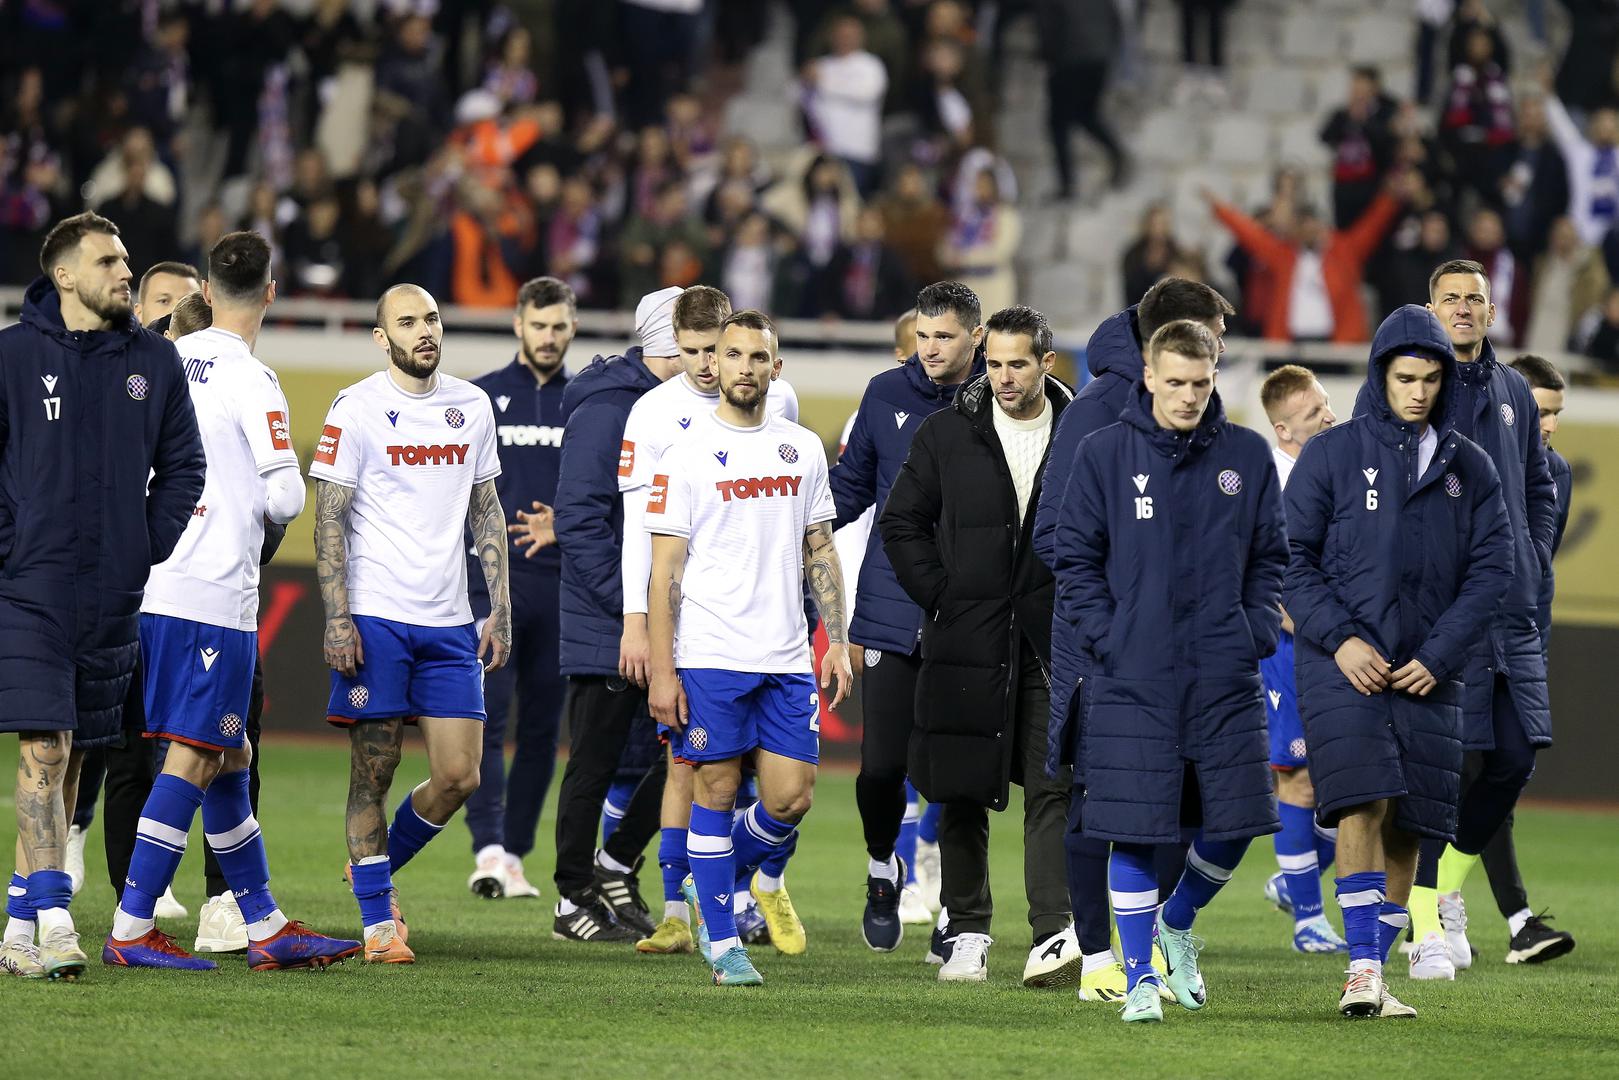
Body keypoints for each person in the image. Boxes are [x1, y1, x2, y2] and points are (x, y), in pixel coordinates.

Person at [101, 230, 360, 971]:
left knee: (230, 750)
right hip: (212, 592)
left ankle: (264, 921)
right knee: (193, 752)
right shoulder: (255, 380)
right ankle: (130, 925)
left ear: (206, 292)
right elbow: (283, 491)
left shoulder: (159, 361)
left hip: (149, 583)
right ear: (270, 294)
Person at [1050, 320, 1286, 1024]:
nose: (1187, 395)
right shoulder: (1103, 453)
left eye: (1200, 382)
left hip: (1223, 673)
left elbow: (1270, 558)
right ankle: (1140, 980)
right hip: (1133, 676)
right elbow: (1074, 560)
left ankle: (1176, 921)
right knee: (1134, 827)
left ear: (1216, 377)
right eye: (1174, 381)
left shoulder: (1244, 456)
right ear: (1148, 377)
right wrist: (1112, 638)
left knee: (1238, 823)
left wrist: (1252, 630)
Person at [1283, 305, 1513, 1018]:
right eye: (1404, 376)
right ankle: (1359, 972)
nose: (1416, 391)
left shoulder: (1467, 467)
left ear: (1445, 381)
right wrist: (1342, 639)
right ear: (1381, 374)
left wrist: (1439, 655)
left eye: (1430, 378)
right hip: (1339, 665)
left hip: (1429, 674)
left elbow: (1493, 570)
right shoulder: (1330, 453)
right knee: (1361, 800)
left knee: (1411, 824)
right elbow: (1290, 561)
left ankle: (1372, 976)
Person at [0, 212, 205, 981]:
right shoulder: (14, 357)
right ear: (64, 275)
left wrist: (143, 545)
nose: (127, 272)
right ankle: (56, 921)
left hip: (115, 590)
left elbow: (185, 466)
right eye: (110, 261)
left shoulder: (154, 362)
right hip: (32, 590)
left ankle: (16, 932)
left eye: (126, 259)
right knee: (45, 749)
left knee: (77, 757)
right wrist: (11, 548)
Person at [1033, 278, 1235, 1003]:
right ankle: (1096, 960)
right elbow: (1054, 535)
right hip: (1108, 649)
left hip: (1186, 650)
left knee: (1185, 800)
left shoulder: (1203, 412)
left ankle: (1153, 945)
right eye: (1215, 329)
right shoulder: (1095, 410)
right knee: (1096, 799)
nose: (1223, 342)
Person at [646, 310, 852, 986]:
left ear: (774, 367)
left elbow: (818, 547)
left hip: (788, 652)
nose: (740, 367)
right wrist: (661, 668)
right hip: (710, 652)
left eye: (754, 357)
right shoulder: (685, 454)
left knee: (792, 797)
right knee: (716, 784)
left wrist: (837, 640)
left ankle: (716, 886)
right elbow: (664, 570)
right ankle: (723, 944)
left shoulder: (802, 448)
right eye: (730, 355)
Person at [879, 304, 1079, 987]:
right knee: (959, 790)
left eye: (1016, 363)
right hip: (965, 639)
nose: (1001, 377)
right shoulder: (946, 433)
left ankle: (1052, 935)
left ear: (1045, 363)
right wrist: (942, 595)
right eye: (992, 363)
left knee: (1053, 789)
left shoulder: (1084, 434)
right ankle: (966, 931)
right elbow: (900, 523)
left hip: (1050, 644)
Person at [312, 283, 511, 965]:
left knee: (460, 776)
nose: (424, 330)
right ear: (381, 336)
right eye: (407, 321)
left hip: (451, 621)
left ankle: (374, 867)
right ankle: (376, 925)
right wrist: (338, 617)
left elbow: (486, 511)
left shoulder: (471, 405)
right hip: (377, 616)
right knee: (374, 770)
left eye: (430, 317)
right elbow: (329, 515)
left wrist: (498, 607)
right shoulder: (357, 408)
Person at [616, 286, 804, 956]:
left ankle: (720, 880)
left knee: (778, 790)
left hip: (774, 635)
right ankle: (680, 908)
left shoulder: (785, 416)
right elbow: (645, 533)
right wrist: (637, 622)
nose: (707, 364)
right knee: (690, 773)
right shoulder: (655, 416)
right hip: (698, 626)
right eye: (697, 352)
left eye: (716, 350)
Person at [1407, 261, 1558, 980]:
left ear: (1490, 311)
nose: (1462, 310)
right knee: (1442, 766)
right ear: (1430, 310)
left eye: (1473, 300)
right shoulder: (1414, 386)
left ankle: (1441, 892)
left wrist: (1529, 556)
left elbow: (1537, 481)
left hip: (1510, 608)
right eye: (1450, 300)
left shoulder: (1509, 391)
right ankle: (1423, 921)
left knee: (1512, 759)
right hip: (1442, 607)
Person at [830, 280, 984, 953]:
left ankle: (955, 914)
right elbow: (846, 492)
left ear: (975, 338)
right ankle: (879, 864)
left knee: (956, 775)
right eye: (921, 336)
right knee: (879, 770)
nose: (928, 350)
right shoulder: (884, 394)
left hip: (969, 616)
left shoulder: (998, 401)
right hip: (890, 611)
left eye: (943, 336)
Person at [548, 289, 686, 944]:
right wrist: (632, 612)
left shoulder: (678, 404)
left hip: (659, 614)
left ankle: (613, 860)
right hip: (610, 618)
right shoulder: (609, 408)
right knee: (595, 759)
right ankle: (570, 895)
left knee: (692, 745)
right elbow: (579, 519)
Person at [68, 259, 204, 920]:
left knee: (162, 745)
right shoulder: (112, 373)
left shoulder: (203, 385)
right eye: (160, 300)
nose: (173, 311)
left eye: (186, 301)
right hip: (120, 591)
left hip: (182, 591)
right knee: (107, 738)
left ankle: (150, 887)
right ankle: (73, 839)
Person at [461, 277, 575, 902]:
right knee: (486, 718)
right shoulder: (481, 399)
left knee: (540, 731)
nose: (549, 337)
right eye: (540, 325)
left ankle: (515, 854)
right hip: (492, 591)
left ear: (573, 328)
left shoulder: (584, 401)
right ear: (518, 326)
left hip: (562, 590)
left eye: (559, 326)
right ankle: (489, 848)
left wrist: (567, 527)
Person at [1471, 355, 1578, 966]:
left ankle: (1463, 913)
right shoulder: (1470, 456)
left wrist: (1531, 639)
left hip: (1520, 637)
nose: (1549, 427)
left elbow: (1538, 565)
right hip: (1464, 642)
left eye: (1557, 415)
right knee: (1462, 776)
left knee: (1500, 776)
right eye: (1540, 413)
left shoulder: (1554, 474)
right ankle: (1454, 915)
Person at [1256, 365, 1348, 954]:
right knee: (1301, 781)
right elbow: (1272, 585)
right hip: (1290, 649)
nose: (1330, 415)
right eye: (1315, 413)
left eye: (1326, 404)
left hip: (1335, 644)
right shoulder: (1273, 484)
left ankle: (1294, 880)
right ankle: (1308, 921)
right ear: (1285, 430)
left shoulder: (1329, 470)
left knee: (1354, 779)